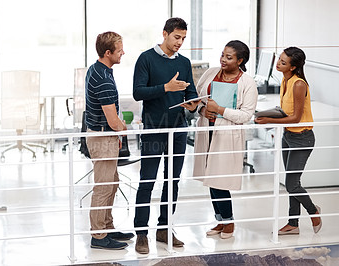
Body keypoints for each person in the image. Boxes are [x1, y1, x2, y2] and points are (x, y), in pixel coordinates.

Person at [132, 17, 199, 254]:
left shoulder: (185, 61)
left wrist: (193, 105)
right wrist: (165, 88)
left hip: (178, 129)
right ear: (165, 34)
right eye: (176, 37)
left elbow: (190, 92)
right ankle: (141, 232)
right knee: (147, 181)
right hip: (154, 129)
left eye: (183, 38)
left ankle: (164, 227)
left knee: (173, 181)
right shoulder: (146, 59)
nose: (180, 42)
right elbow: (138, 92)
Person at [193, 40, 258, 239]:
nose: (223, 60)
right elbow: (197, 99)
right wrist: (202, 109)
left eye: (229, 57)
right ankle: (220, 220)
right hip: (207, 130)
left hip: (228, 134)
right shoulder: (210, 73)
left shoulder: (247, 82)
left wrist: (219, 110)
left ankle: (228, 221)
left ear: (240, 60)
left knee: (219, 179)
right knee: (210, 179)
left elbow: (246, 115)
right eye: (222, 55)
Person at [255, 47, 322, 235]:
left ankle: (314, 211)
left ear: (293, 67)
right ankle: (293, 223)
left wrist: (269, 120)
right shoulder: (285, 80)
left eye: (283, 63)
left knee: (292, 184)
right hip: (288, 136)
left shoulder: (298, 84)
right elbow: (285, 110)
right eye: (279, 59)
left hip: (302, 138)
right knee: (292, 181)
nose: (278, 64)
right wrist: (267, 114)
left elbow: (296, 118)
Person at [85, 31, 134, 250]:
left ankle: (107, 227)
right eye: (119, 49)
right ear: (107, 52)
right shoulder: (103, 78)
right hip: (103, 137)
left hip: (106, 135)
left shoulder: (99, 69)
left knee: (112, 185)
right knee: (104, 188)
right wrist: (124, 129)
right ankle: (98, 236)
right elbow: (113, 120)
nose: (123, 52)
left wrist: (118, 132)